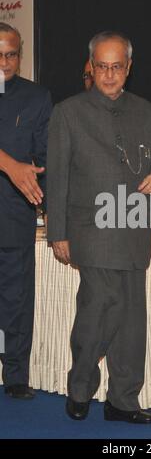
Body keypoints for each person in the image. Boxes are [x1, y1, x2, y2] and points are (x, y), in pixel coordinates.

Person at [47, 31, 151, 422]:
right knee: (99, 308)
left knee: (133, 321)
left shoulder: (148, 111)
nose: (109, 74)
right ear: (91, 66)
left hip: (133, 227)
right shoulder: (68, 112)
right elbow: (58, 176)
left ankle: (123, 401)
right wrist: (58, 232)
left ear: (129, 68)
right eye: (102, 66)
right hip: (92, 229)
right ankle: (81, 386)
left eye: (117, 66)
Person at [0, 23, 52, 399]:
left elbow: (45, 160)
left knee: (17, 299)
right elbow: (16, 165)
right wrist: (9, 164)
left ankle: (15, 373)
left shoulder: (36, 97)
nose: (4, 62)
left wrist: (50, 204)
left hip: (14, 214)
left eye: (12, 54)